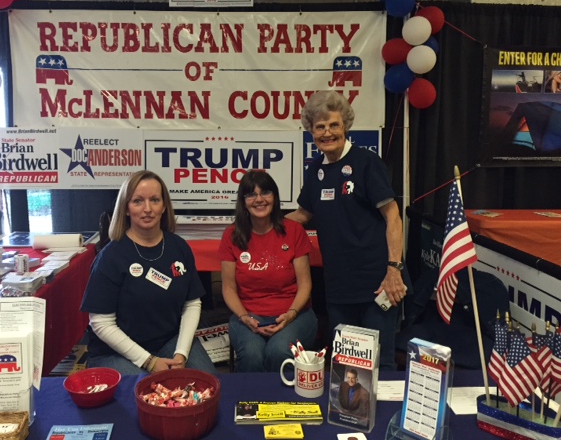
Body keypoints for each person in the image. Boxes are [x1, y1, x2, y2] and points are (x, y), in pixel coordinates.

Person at [286, 90, 407, 371]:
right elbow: (304, 214)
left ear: (345, 127)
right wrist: (260, 225)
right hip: (339, 287)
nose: (327, 132)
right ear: (311, 131)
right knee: (344, 367)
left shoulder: (367, 163)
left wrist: (393, 270)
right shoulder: (315, 168)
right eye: (320, 127)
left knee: (380, 364)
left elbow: (393, 216)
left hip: (378, 284)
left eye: (333, 125)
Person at [80, 170, 217, 375]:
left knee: (207, 384)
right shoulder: (110, 257)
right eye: (137, 201)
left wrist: (181, 353)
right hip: (114, 352)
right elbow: (101, 323)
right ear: (126, 208)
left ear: (164, 206)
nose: (147, 209)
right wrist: (149, 361)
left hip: (169, 341)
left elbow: (192, 303)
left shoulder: (179, 247)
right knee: (147, 395)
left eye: (154, 200)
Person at [219, 170, 318, 372]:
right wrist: (245, 317)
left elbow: (305, 284)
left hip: (295, 314)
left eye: (265, 192)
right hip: (248, 316)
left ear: (274, 197)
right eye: (251, 194)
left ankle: (283, 403)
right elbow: (228, 288)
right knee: (252, 356)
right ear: (243, 201)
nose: (259, 200)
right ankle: (249, 402)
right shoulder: (231, 235)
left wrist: (290, 315)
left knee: (279, 351)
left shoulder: (294, 231)